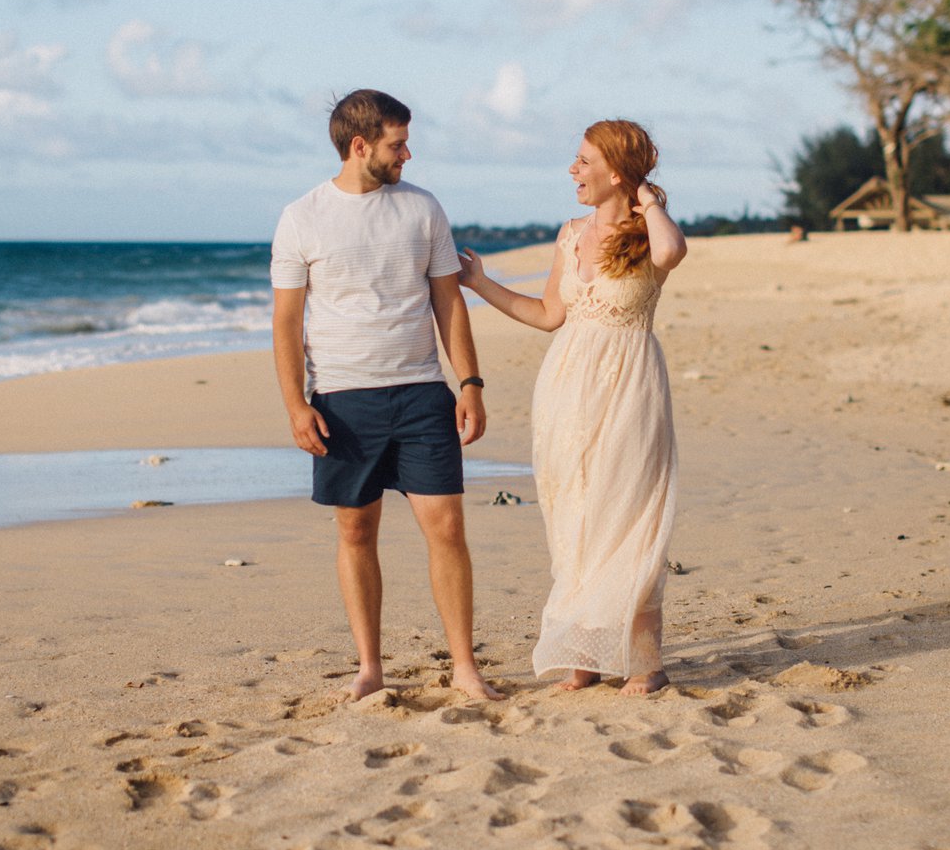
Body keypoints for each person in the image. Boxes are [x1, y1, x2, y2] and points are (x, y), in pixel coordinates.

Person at [271, 89, 504, 702]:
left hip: (423, 393)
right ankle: (370, 668)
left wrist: (470, 383)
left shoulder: (423, 209)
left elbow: (448, 301)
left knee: (447, 528)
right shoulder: (302, 216)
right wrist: (297, 406)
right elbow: (286, 323)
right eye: (398, 144)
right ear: (360, 146)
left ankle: (464, 669)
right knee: (355, 533)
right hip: (343, 400)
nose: (408, 153)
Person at [456, 119, 686, 696]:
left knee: (625, 515)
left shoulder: (648, 235)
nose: (572, 170)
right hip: (564, 389)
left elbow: (672, 251)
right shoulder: (569, 233)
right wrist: (481, 283)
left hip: (629, 386)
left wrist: (649, 202)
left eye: (583, 162)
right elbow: (547, 315)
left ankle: (645, 662)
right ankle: (585, 654)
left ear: (616, 172)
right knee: (573, 515)